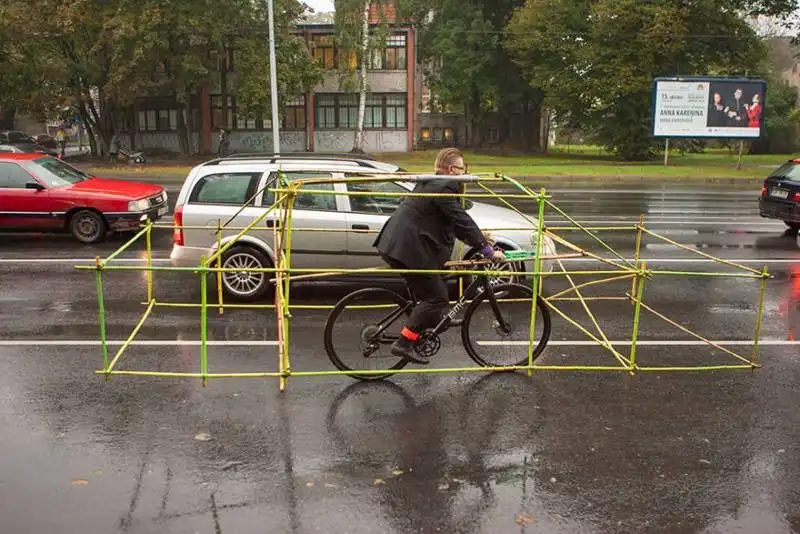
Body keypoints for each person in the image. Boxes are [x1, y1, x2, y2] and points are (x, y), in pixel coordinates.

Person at [373, 148, 506, 364]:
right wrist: (488, 251)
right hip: (408, 248)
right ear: (452, 170)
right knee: (436, 298)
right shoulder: (444, 187)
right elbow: (461, 220)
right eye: (463, 169)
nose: (465, 174)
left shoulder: (435, 183)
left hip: (401, 245)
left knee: (437, 283)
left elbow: (455, 224)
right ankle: (403, 343)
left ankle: (428, 322)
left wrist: (480, 240)